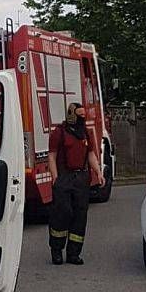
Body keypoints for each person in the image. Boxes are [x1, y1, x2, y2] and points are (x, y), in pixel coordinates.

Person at [48, 102, 105, 265]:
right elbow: (52, 156)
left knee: (80, 215)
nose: (82, 119)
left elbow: (91, 154)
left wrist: (98, 172)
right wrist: (55, 177)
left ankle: (74, 253)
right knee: (62, 213)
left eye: (83, 116)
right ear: (71, 115)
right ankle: (57, 250)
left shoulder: (85, 133)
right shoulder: (59, 133)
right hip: (64, 177)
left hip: (81, 178)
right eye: (80, 116)